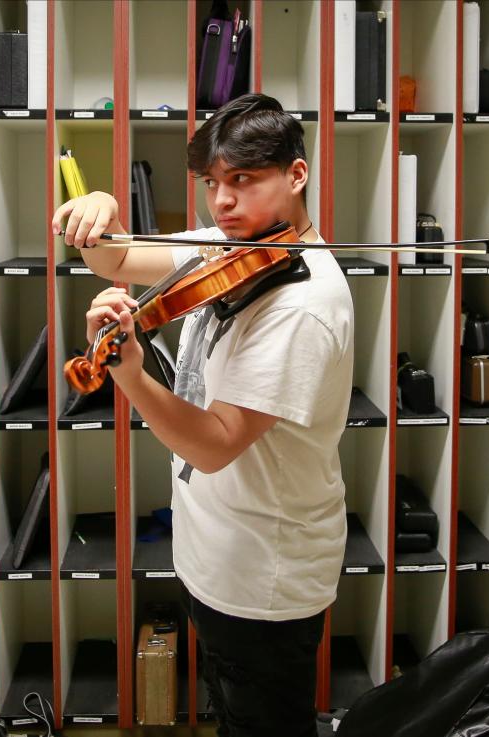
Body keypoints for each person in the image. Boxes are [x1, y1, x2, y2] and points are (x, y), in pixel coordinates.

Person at [51, 93, 354, 737]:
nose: (221, 202)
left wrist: (129, 376)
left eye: (243, 180)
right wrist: (99, 210)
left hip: (263, 579)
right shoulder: (228, 245)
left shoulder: (302, 305)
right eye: (212, 183)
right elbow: (117, 258)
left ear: (296, 176)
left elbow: (215, 444)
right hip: (215, 557)